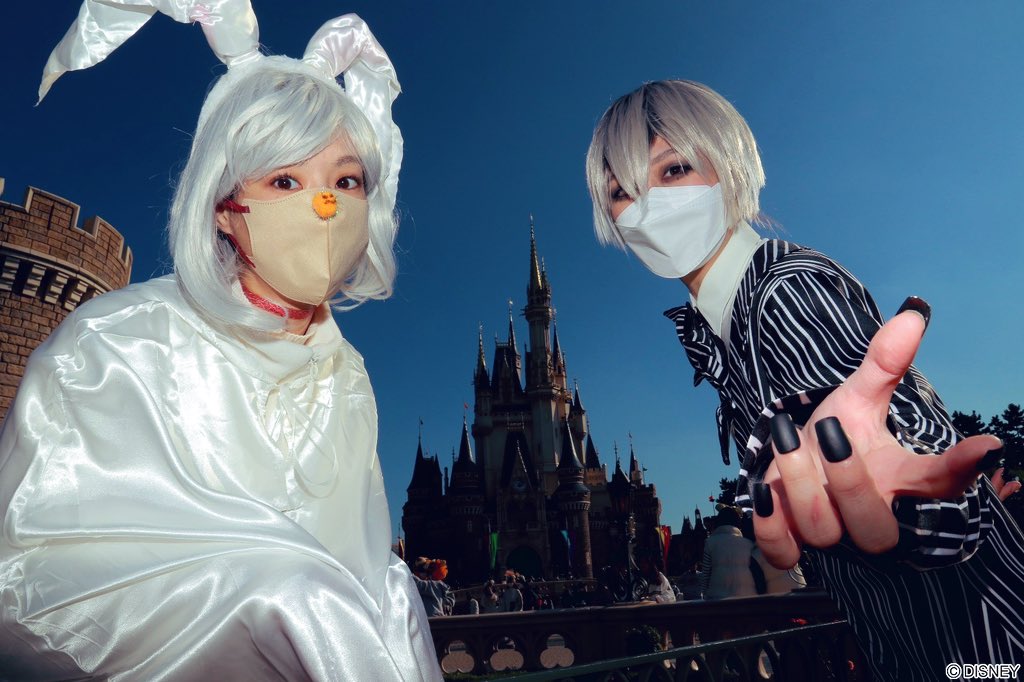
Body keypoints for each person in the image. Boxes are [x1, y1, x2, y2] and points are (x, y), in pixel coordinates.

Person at [0, 3, 441, 680]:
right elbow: (31, 583)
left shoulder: (346, 375)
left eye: (345, 181)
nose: (325, 207)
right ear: (223, 207)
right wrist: (270, 595)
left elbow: (360, 565)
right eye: (286, 180)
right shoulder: (112, 348)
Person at [586, 79, 1024, 681]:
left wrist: (925, 500)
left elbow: (892, 435)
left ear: (727, 166)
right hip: (915, 643)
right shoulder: (726, 326)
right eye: (621, 193)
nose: (647, 207)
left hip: (989, 649)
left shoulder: (783, 291)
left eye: (674, 169)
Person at [699, 507, 757, 600]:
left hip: (718, 597)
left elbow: (706, 574)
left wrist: (705, 594)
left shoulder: (710, 542)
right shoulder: (748, 544)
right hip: (746, 596)